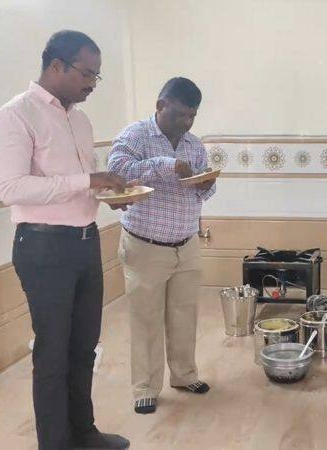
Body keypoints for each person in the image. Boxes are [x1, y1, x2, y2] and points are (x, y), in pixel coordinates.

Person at [0, 30, 130, 450]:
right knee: (52, 354)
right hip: (43, 247)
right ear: (57, 66)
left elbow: (74, 187)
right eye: (87, 73)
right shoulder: (16, 115)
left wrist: (108, 194)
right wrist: (87, 180)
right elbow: (12, 188)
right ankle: (54, 443)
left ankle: (83, 432)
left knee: (85, 346)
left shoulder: (79, 120)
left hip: (85, 243)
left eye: (96, 77)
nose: (92, 83)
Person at [108, 77, 216, 415]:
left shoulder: (194, 144)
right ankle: (145, 387)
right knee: (146, 318)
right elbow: (118, 171)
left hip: (186, 244)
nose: (187, 123)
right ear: (160, 106)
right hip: (145, 245)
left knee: (185, 314)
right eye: (181, 114)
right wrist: (167, 166)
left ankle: (184, 375)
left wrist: (206, 183)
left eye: (193, 116)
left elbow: (202, 190)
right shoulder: (135, 135)